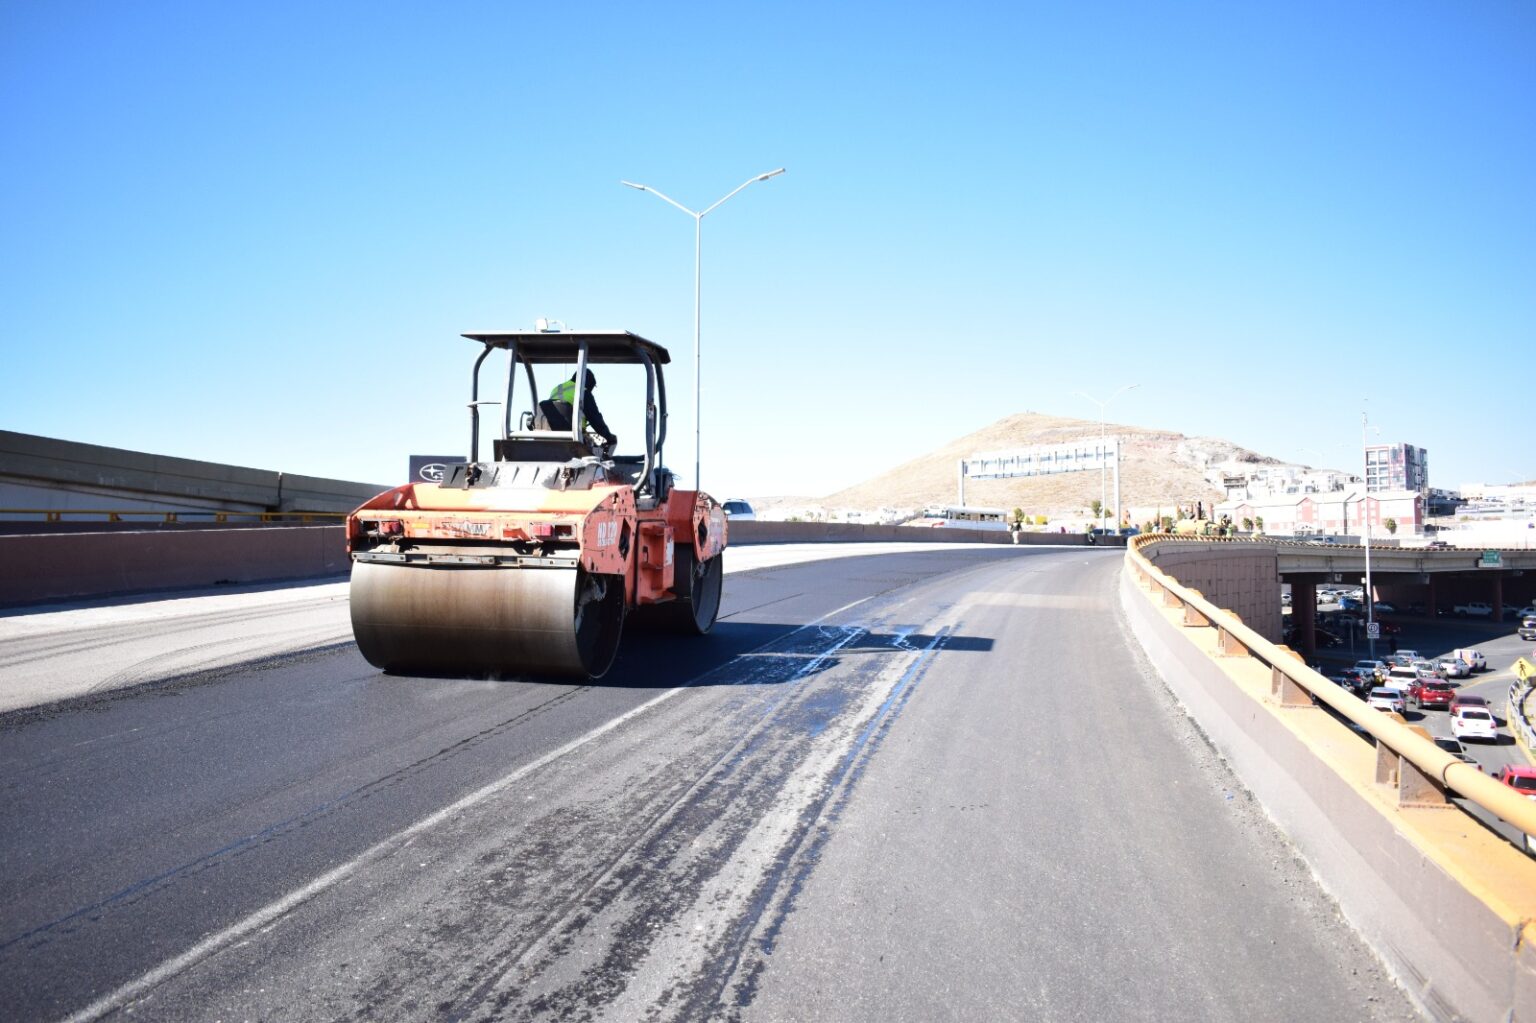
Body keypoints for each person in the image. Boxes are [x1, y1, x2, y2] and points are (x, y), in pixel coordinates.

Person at [548, 369, 617, 450]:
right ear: (588, 383)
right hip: (573, 437)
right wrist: (609, 437)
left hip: (549, 433)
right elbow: (595, 419)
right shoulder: (582, 392)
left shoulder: (557, 388)